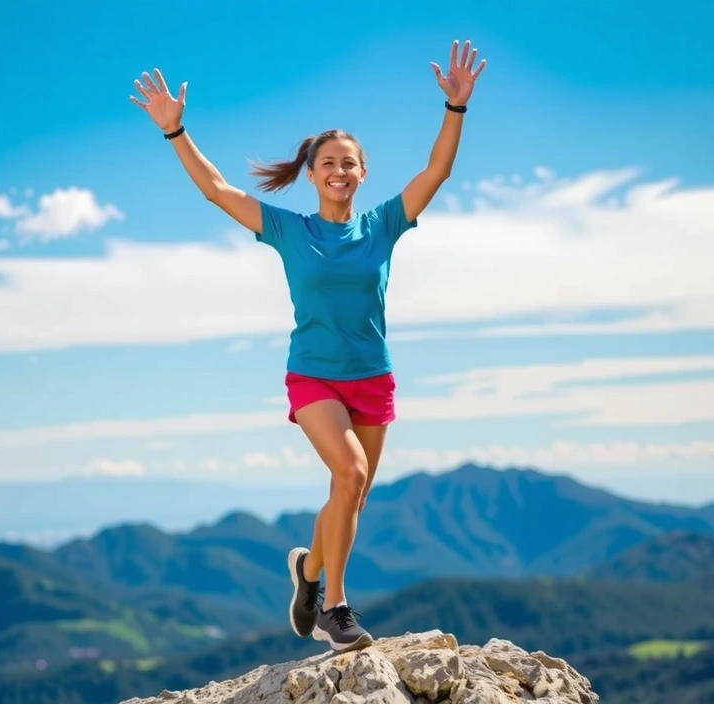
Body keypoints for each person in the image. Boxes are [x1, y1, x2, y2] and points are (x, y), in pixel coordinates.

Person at [131, 39, 487, 652]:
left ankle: (308, 571)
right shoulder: (290, 232)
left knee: (351, 493)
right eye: (328, 163)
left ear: (362, 172)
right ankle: (336, 608)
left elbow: (437, 171)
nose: (339, 172)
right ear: (312, 173)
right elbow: (217, 190)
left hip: (373, 377)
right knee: (348, 473)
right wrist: (175, 132)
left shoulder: (384, 223)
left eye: (349, 163)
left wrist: (454, 110)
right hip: (314, 376)